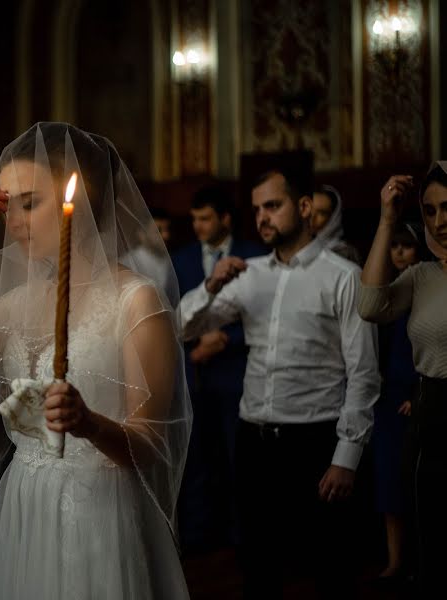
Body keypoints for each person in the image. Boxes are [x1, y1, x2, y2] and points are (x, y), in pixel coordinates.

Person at [0, 122, 192, 599]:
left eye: (30, 203)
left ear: (80, 201)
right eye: (9, 207)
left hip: (99, 513)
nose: (15, 221)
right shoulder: (20, 300)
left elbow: (153, 448)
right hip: (24, 504)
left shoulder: (136, 302)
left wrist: (88, 423)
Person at [179, 165, 380, 598]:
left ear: (304, 207)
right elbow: (183, 329)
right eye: (257, 210)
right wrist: (209, 287)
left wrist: (347, 455)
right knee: (257, 566)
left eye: (273, 205)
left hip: (316, 439)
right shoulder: (246, 274)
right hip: (253, 439)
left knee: (328, 569)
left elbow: (363, 371)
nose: (262, 217)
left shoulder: (342, 277)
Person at [357, 163, 447, 598]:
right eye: (429, 211)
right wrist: (388, 218)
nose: (440, 221)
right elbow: (371, 305)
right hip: (431, 417)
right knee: (431, 533)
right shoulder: (422, 276)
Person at [172, 185, 265, 552]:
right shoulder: (180, 260)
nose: (198, 226)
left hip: (238, 374)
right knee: (195, 459)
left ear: (226, 218)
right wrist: (194, 345)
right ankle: (197, 537)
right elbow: (170, 314)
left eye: (205, 218)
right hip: (192, 374)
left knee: (237, 460)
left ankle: (241, 537)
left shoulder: (255, 256)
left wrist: (228, 339)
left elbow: (266, 315)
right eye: (194, 219)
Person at [371, 222, 427, 582]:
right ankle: (394, 561)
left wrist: (418, 394)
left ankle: (423, 561)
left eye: (407, 246)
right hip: (385, 400)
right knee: (387, 484)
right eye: (394, 246)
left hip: (420, 399)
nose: (400, 252)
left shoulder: (427, 289)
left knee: (418, 486)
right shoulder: (385, 292)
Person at [311, 184, 362, 264]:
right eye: (310, 210)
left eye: (321, 213)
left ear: (334, 217)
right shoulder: (293, 247)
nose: (312, 217)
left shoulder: (344, 253)